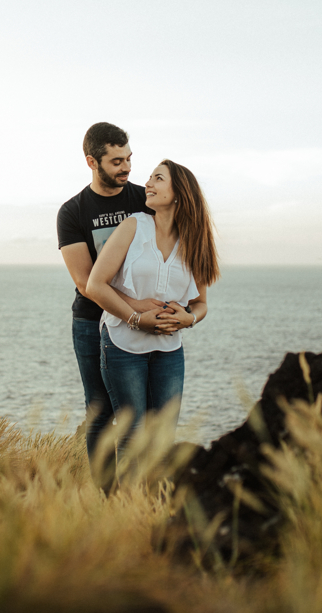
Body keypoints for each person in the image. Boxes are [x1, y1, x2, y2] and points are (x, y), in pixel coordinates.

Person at [85, 159, 219, 460]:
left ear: (179, 193)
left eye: (158, 179)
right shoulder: (133, 226)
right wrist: (135, 319)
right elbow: (96, 284)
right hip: (123, 345)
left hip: (170, 351)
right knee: (133, 437)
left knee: (163, 438)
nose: (147, 184)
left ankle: (154, 506)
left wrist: (189, 319)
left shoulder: (194, 241)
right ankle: (127, 507)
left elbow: (201, 304)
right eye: (149, 178)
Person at [57, 123, 160, 484]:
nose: (127, 167)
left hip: (142, 322)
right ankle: (106, 495)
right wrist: (135, 311)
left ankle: (140, 493)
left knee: (140, 412)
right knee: (100, 412)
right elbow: (85, 282)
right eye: (116, 161)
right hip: (90, 323)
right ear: (92, 161)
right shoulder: (72, 212)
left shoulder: (142, 201)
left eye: (129, 158)